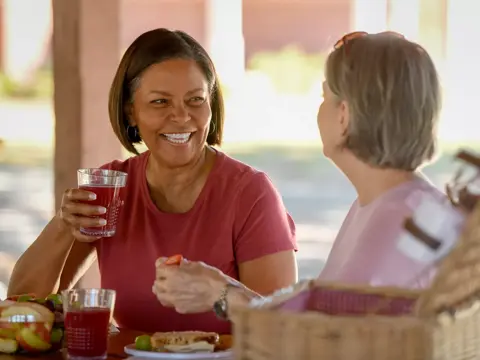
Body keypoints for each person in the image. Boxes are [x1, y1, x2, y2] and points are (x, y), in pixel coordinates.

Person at [7, 28, 298, 333]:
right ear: (131, 112)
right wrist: (64, 225)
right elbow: (23, 307)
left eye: (195, 100)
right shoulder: (113, 188)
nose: (182, 116)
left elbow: (283, 328)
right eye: (160, 102)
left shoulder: (250, 193)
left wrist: (221, 292)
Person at [153, 31, 445, 315]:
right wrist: (222, 289)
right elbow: (319, 320)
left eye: (324, 96)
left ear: (344, 116)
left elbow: (324, 341)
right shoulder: (394, 204)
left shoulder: (397, 224)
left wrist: (221, 294)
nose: (319, 110)